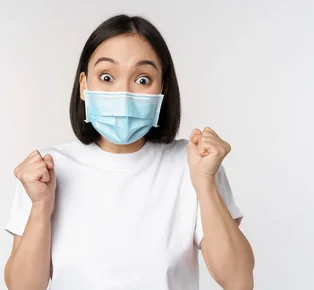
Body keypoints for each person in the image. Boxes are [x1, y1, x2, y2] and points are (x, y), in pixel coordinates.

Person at [3, 14, 254, 290]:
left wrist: (205, 185)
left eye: (143, 79)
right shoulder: (46, 170)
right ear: (84, 85)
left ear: (163, 89)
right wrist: (40, 206)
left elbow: (239, 280)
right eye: (107, 77)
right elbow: (22, 287)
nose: (123, 92)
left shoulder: (194, 164)